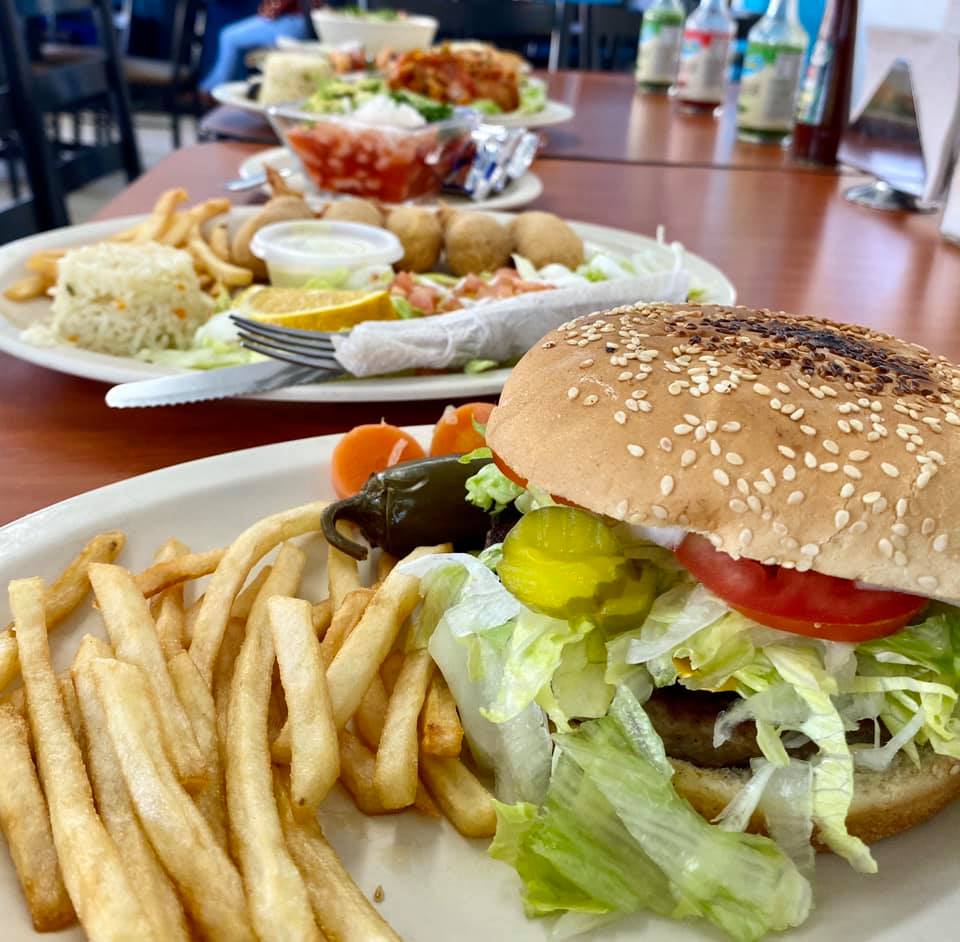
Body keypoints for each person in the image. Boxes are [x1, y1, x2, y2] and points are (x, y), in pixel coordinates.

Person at [200, 0, 310, 91]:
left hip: (293, 21)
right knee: (235, 41)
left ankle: (210, 91)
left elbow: (271, 11)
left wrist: (268, 9)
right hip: (296, 20)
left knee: (228, 37)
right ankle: (229, 91)